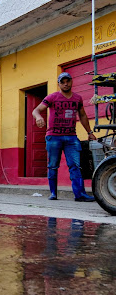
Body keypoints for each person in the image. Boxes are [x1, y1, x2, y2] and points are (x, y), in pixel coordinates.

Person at [32, 72, 96, 202]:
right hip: (54, 137)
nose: (66, 84)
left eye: (68, 81)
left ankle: (80, 194)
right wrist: (38, 117)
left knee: (75, 166)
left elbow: (82, 115)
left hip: (71, 137)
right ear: (59, 84)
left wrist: (90, 132)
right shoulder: (52, 97)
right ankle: (53, 193)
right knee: (53, 166)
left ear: (72, 82)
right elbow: (36, 110)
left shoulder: (77, 98)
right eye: (63, 82)